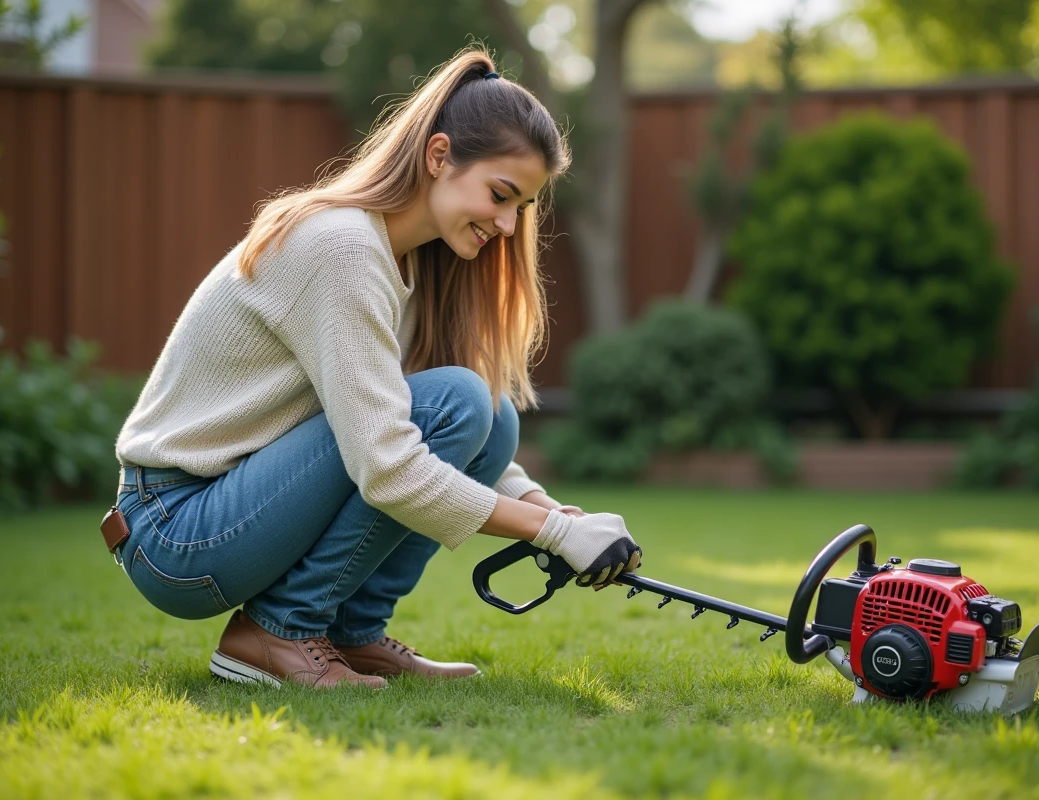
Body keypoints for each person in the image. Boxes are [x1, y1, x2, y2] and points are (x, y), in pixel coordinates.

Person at [107, 47, 643, 691]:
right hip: (176, 528)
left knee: (490, 413)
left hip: (232, 509)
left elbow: (435, 432)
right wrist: (550, 532)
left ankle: (348, 635)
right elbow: (389, 465)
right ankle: (276, 633)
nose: (506, 225)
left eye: (521, 208)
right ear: (439, 156)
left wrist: (554, 513)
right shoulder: (343, 249)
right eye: (501, 195)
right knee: (460, 401)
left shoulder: (411, 261)